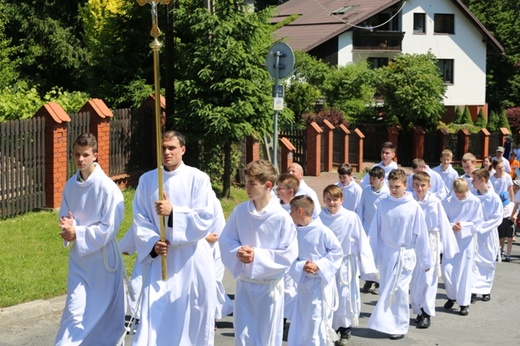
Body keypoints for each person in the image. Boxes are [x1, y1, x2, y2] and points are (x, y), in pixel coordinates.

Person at [132, 130, 217, 345]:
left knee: (191, 317)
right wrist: (153, 243)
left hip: (191, 259)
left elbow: (205, 218)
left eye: (172, 148)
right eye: (163, 148)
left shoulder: (198, 178)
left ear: (183, 150)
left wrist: (174, 213)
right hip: (163, 260)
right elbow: (140, 218)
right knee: (155, 317)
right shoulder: (148, 180)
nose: (167, 152)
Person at [55, 133, 125, 345]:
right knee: (74, 312)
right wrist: (68, 227)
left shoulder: (107, 188)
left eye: (85, 155)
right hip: (79, 260)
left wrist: (79, 232)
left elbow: (109, 227)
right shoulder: (70, 185)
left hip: (104, 261)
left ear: (95, 155)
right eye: (76, 154)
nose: (80, 159)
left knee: (102, 314)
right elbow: (65, 216)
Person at [219, 159, 298, 346]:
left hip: (269, 288)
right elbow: (226, 240)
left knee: (266, 338)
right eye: (246, 182)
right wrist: (238, 252)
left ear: (268, 185)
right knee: (243, 336)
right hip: (245, 285)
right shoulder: (240, 212)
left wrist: (256, 256)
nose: (246, 187)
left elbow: (288, 253)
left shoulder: (281, 218)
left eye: (252, 183)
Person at [367, 169, 431, 340]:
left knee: (400, 289)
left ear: (405, 185)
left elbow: (422, 235)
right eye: (391, 186)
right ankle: (388, 323)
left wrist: (426, 260)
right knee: (387, 288)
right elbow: (375, 232)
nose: (393, 190)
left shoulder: (413, 206)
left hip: (405, 253)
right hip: (387, 252)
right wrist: (370, 257)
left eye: (397, 186)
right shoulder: (383, 204)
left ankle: (400, 326)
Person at [319, 185, 377, 345]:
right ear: (323, 199)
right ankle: (328, 328)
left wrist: (368, 268)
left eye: (335, 199)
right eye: (328, 199)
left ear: (342, 200)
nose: (331, 203)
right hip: (326, 264)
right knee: (327, 295)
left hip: (345, 264)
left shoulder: (351, 217)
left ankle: (345, 329)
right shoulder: (319, 218)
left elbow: (362, 242)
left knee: (344, 296)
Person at [287, 195, 343, 346]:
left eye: (291, 211)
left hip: (320, 285)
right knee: (302, 322)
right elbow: (288, 256)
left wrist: (318, 266)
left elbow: (337, 252)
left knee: (316, 321)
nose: (289, 215)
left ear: (299, 211)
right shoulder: (293, 232)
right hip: (303, 284)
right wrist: (301, 266)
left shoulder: (323, 231)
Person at [410, 172, 459, 329]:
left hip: (431, 242)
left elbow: (443, 224)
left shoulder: (434, 202)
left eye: (423, 185)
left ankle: (427, 313)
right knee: (415, 279)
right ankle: (418, 310)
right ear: (412, 185)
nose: (419, 188)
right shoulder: (409, 201)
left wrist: (449, 247)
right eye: (417, 185)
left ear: (429, 186)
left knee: (429, 278)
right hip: (414, 242)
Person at [442, 178, 484, 316]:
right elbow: (442, 220)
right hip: (451, 238)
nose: (460, 197)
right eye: (457, 194)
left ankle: (464, 303)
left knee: (464, 272)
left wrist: (464, 226)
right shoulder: (448, 201)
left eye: (462, 194)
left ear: (467, 190)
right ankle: (452, 296)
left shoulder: (475, 201)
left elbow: (478, 222)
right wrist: (451, 226)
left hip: (466, 240)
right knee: (447, 270)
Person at [470, 169, 502, 302]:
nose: (472, 182)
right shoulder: (472, 196)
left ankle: (485, 290)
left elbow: (498, 217)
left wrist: (482, 227)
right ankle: (472, 289)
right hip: (474, 235)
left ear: (482, 180)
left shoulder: (494, 198)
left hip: (488, 234)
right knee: (473, 261)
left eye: (474, 180)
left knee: (487, 261)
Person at [357, 166, 389, 293]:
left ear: (381, 179)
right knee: (368, 254)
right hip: (366, 227)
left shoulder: (386, 194)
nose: (371, 180)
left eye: (374, 178)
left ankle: (378, 282)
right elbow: (361, 208)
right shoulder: (365, 191)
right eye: (370, 178)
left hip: (380, 229)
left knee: (379, 256)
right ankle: (369, 279)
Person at [497, 191, 515, 262]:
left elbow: (516, 210)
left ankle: (508, 255)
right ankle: (501, 251)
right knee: (501, 239)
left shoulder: (512, 204)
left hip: (509, 221)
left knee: (510, 239)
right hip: (502, 221)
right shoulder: (499, 205)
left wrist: (514, 216)